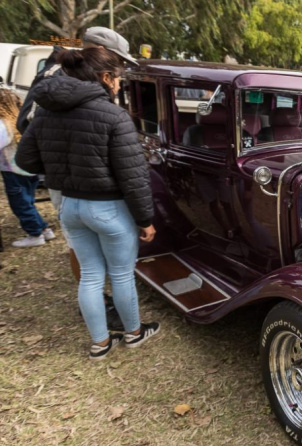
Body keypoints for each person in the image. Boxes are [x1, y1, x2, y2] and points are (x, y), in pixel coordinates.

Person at [16, 47, 160, 360]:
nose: (120, 85)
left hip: (70, 206)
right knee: (121, 275)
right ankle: (134, 334)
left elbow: (24, 158)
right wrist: (145, 219)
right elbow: (132, 176)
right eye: (118, 78)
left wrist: (60, 169)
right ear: (105, 77)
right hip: (108, 207)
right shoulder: (113, 116)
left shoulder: (46, 110)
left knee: (91, 275)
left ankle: (100, 343)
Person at [1, 88, 55, 248]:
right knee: (28, 201)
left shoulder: (3, 125)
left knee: (20, 204)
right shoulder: (20, 120)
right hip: (29, 169)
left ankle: (35, 234)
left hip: (14, 171)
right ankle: (44, 228)